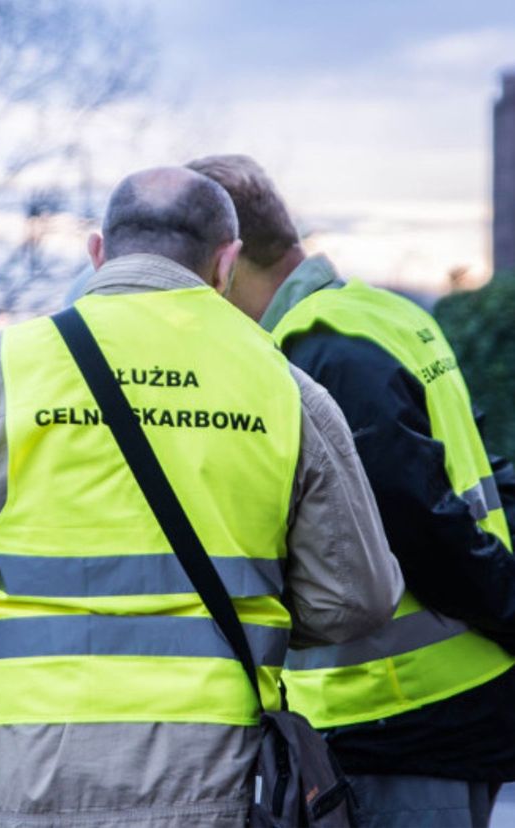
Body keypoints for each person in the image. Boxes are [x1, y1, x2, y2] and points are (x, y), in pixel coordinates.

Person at [0, 166, 402, 828]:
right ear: (226, 263)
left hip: (20, 789)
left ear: (97, 252)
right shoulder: (287, 392)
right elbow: (359, 597)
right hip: (213, 790)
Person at [188, 153, 515, 827]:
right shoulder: (377, 315)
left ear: (226, 262)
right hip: (444, 705)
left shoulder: (318, 356)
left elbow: (418, 523)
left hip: (403, 719)